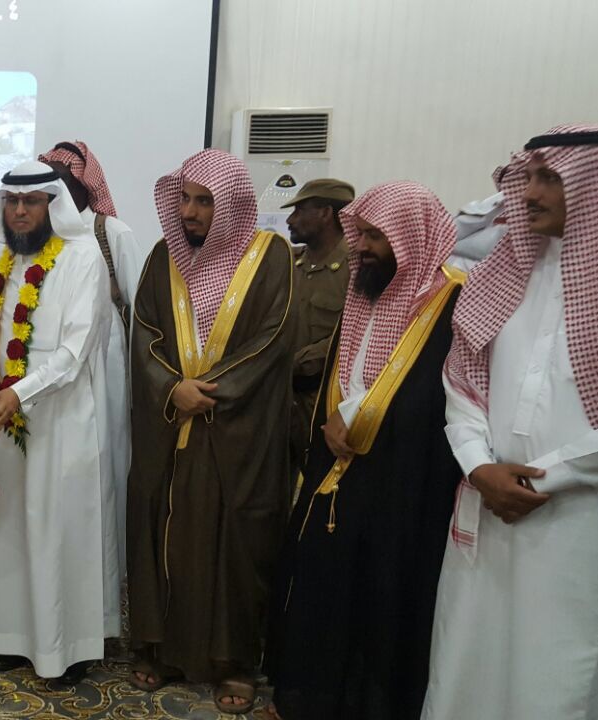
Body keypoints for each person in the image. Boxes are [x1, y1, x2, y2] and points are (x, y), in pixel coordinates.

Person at [422, 124, 598, 720]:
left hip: (580, 520)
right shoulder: (503, 273)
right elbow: (461, 381)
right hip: (488, 503)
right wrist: (479, 466)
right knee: (470, 654)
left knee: (558, 668)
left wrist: (546, 478)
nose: (528, 192)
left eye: (549, 179)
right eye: (528, 177)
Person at [265, 182, 464, 720]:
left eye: (377, 236)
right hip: (336, 464)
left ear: (411, 238)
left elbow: (436, 396)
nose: (364, 247)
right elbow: (345, 368)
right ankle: (309, 699)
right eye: (363, 235)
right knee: (322, 581)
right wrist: (333, 423)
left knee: (381, 593)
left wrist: (358, 420)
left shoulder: (449, 302)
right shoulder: (364, 289)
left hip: (399, 482)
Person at [126, 149, 293, 713]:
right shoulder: (162, 256)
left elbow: (274, 337)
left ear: (232, 205)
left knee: (234, 542)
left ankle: (233, 661)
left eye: (204, 202)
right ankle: (159, 647)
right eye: (184, 199)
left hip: (236, 429)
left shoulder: (271, 257)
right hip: (170, 420)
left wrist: (211, 391)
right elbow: (144, 329)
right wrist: (172, 387)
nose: (190, 213)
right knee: (161, 530)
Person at [0, 160, 120, 687]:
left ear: (53, 205)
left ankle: (65, 648)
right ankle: (6, 636)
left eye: (31, 202)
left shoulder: (82, 259)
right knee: (3, 529)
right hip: (2, 421)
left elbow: (74, 351)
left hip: (59, 419)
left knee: (56, 527)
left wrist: (19, 394)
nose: (20, 211)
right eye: (12, 202)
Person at [39, 139, 138, 560]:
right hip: (51, 360)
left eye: (64, 180)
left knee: (106, 447)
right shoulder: (41, 232)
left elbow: (138, 306)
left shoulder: (110, 231)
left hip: (105, 353)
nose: (56, 190)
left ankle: (108, 553)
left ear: (85, 185)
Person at [281, 179, 355, 471]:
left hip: (325, 404)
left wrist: (293, 363)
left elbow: (354, 336)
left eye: (299, 211)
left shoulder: (355, 269)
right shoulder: (289, 264)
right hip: (282, 401)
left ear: (325, 213)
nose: (290, 220)